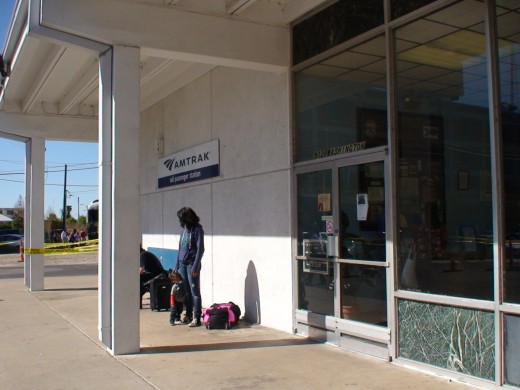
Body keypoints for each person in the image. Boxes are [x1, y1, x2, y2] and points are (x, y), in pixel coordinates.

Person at [174, 207, 204, 327]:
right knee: (185, 291)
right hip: (182, 264)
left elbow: (200, 249)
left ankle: (196, 317)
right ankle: (188, 314)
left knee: (194, 291)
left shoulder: (197, 229)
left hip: (191, 264)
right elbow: (180, 248)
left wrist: (195, 266)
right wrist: (176, 264)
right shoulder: (184, 230)